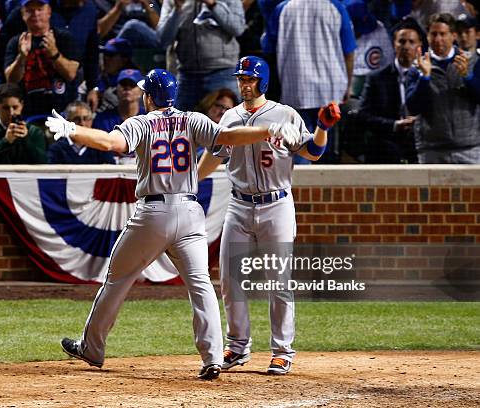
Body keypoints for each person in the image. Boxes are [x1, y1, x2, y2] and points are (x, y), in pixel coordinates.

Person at [47, 68, 300, 380]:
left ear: (150, 97)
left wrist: (72, 129)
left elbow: (111, 143)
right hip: (189, 211)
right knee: (201, 284)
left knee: (117, 279)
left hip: (153, 214)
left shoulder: (141, 122)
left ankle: (92, 348)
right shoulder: (193, 119)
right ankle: (212, 357)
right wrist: (264, 132)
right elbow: (227, 138)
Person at [196, 56, 341, 375]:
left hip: (276, 204)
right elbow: (214, 156)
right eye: (241, 78)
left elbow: (312, 153)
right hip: (239, 204)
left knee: (279, 279)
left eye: (249, 79)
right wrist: (193, 181)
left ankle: (282, 350)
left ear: (262, 81)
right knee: (230, 279)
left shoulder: (284, 114)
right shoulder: (229, 118)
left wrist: (322, 128)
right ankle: (237, 346)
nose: (244, 84)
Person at [262, 0, 356, 163]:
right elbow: (349, 52)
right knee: (326, 155)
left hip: (295, 90)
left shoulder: (282, 9)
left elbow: (268, 49)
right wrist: (348, 86)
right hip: (330, 92)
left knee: (300, 155)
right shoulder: (336, 8)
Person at [406, 13, 480, 163]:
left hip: (469, 148)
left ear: (453, 36)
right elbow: (412, 107)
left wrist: (468, 77)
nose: (438, 39)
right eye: (433, 34)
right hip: (431, 150)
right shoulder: (417, 67)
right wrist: (424, 78)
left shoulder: (473, 62)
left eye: (443, 34)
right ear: (427, 37)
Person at [356, 18, 424, 163]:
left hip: (420, 146)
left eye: (411, 42)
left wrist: (418, 122)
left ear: (419, 47)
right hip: (385, 147)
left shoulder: (426, 77)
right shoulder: (376, 78)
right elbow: (363, 115)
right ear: (394, 44)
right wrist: (394, 125)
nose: (406, 46)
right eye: (402, 41)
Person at [156, 0, 245, 111]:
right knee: (182, 125)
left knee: (226, 125)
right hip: (188, 76)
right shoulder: (171, 1)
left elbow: (238, 28)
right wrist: (177, 10)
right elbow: (163, 39)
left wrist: (213, 4)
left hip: (222, 73)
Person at [4, 0, 81, 117]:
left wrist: (55, 54)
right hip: (27, 113)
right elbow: (11, 80)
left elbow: (71, 74)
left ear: (49, 11)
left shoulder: (64, 38)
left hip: (61, 112)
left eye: (40, 9)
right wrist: (21, 57)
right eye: (30, 10)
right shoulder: (16, 42)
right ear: (22, 14)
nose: (35, 13)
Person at [0, 83, 47, 164]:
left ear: (22, 105)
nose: (11, 112)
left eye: (15, 107)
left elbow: (42, 162)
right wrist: (6, 142)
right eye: (6, 108)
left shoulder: (34, 132)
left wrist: (25, 139)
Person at [93, 68, 145, 163]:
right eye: (123, 84)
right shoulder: (102, 119)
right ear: (116, 89)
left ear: (141, 91)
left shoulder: (149, 119)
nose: (127, 88)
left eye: (132, 85)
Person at [47, 101, 116, 164]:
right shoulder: (56, 149)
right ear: (67, 121)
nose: (82, 123)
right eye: (77, 119)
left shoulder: (101, 146)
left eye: (86, 118)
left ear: (91, 121)